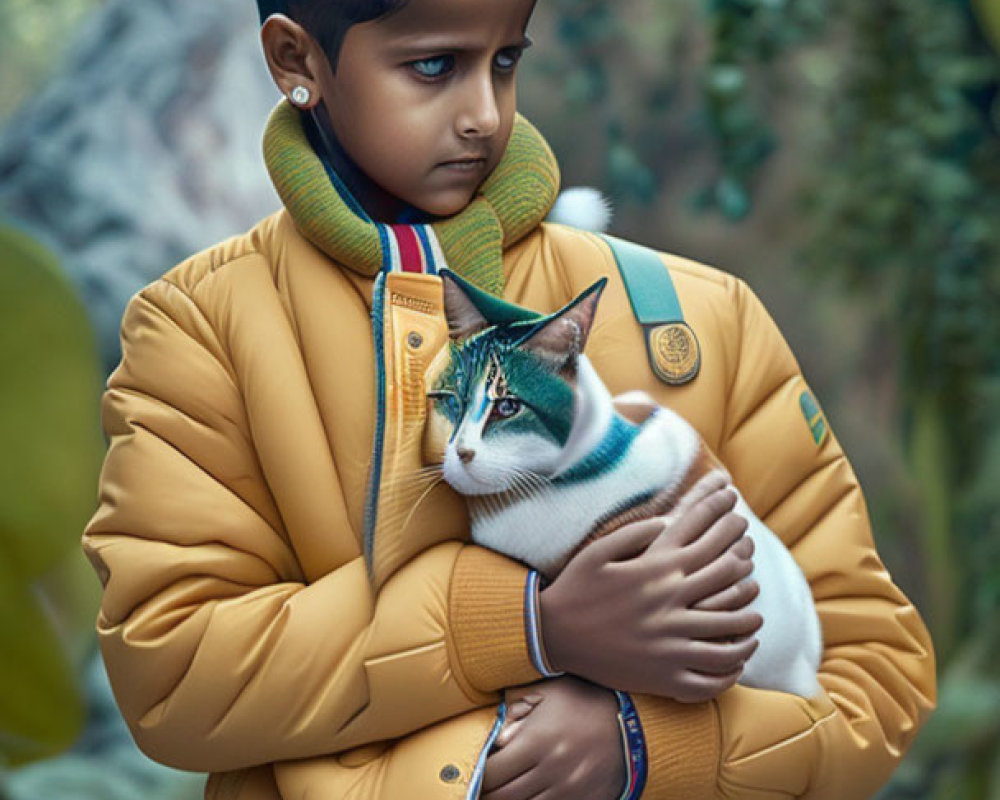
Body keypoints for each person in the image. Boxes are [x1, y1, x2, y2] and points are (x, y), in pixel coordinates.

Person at [80, 0, 937, 798]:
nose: (485, 114)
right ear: (294, 56)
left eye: (505, 60)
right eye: (433, 65)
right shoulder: (200, 328)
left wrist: (645, 748)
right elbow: (173, 674)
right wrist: (527, 626)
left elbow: (876, 677)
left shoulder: (699, 315)